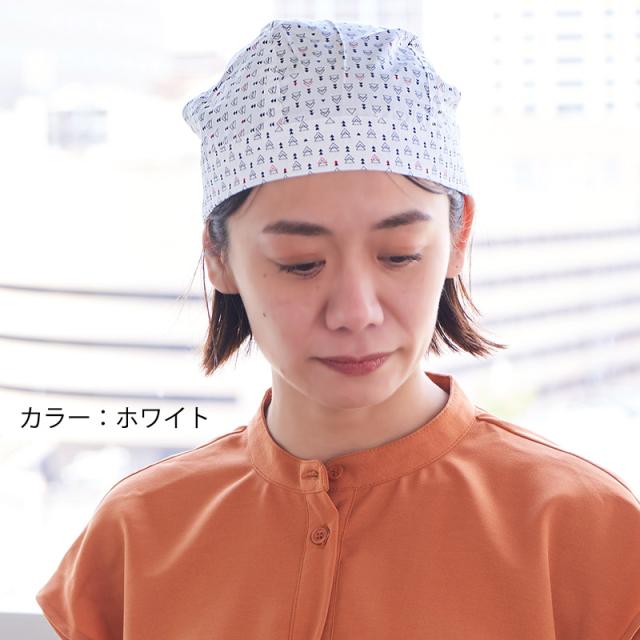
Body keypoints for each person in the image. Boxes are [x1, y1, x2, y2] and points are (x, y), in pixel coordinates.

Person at [36, 18, 640, 640]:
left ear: (458, 239)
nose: (356, 311)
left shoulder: (591, 534)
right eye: (301, 264)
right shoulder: (136, 534)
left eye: (399, 255)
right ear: (219, 257)